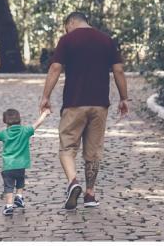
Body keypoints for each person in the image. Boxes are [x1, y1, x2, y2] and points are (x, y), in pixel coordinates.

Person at [39, 11, 129, 210]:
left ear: (71, 23)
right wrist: (123, 98)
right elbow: (119, 70)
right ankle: (90, 194)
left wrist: (45, 96)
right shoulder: (106, 40)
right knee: (93, 152)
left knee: (67, 148)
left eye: (66, 27)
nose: (66, 30)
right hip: (99, 104)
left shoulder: (67, 40)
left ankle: (73, 182)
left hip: (74, 103)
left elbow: (55, 68)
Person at [0, 107, 51, 215]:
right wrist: (45, 113)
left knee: (8, 186)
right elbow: (37, 123)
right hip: (21, 165)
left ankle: (9, 206)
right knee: (20, 180)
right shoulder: (25, 131)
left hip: (8, 166)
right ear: (20, 119)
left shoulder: (4, 133)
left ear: (5, 121)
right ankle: (19, 196)